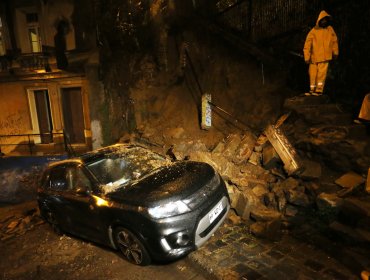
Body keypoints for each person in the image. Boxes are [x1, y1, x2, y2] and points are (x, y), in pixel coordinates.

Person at [303, 10, 339, 96]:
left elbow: (334, 42)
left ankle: (319, 90)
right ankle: (312, 89)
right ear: (319, 20)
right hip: (314, 57)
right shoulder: (314, 30)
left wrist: (335, 52)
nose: (324, 21)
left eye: (325, 20)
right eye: (322, 20)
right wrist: (307, 56)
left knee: (321, 75)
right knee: (312, 74)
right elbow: (307, 44)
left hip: (325, 57)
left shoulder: (330, 30)